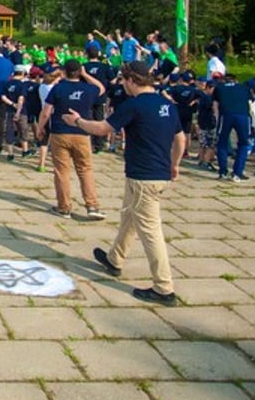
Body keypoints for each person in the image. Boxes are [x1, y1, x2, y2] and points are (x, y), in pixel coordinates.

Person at [65, 60, 186, 306]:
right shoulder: (167, 105)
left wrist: (77, 122)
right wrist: (175, 164)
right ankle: (115, 258)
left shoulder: (134, 106)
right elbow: (181, 138)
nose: (122, 85)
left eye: (123, 81)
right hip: (156, 173)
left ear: (132, 80)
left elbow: (102, 128)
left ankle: (164, 288)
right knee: (129, 217)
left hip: (144, 176)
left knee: (150, 230)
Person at [37, 59, 105, 220]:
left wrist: (41, 127)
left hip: (60, 132)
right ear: (79, 71)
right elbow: (101, 88)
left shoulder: (58, 88)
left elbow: (46, 111)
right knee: (85, 169)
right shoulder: (88, 88)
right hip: (82, 131)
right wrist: (86, 74)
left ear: (64, 72)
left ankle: (64, 207)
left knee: (62, 171)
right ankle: (92, 205)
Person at [213, 72, 253, 183]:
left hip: (226, 115)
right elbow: (250, 105)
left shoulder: (219, 88)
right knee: (243, 143)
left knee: (222, 142)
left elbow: (216, 106)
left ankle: (223, 171)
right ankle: (237, 172)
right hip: (242, 116)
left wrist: (217, 119)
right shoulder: (244, 88)